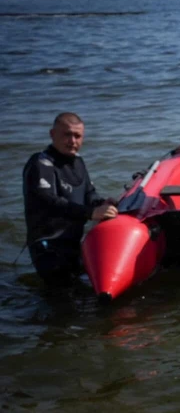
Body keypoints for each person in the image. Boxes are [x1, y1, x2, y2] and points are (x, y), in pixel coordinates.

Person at [22, 113, 117, 285]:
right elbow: (49, 202)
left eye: (77, 136)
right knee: (63, 302)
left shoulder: (78, 162)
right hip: (48, 248)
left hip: (73, 245)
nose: (72, 141)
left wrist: (101, 203)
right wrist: (91, 213)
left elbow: (89, 193)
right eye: (67, 134)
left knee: (85, 294)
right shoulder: (40, 163)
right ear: (52, 134)